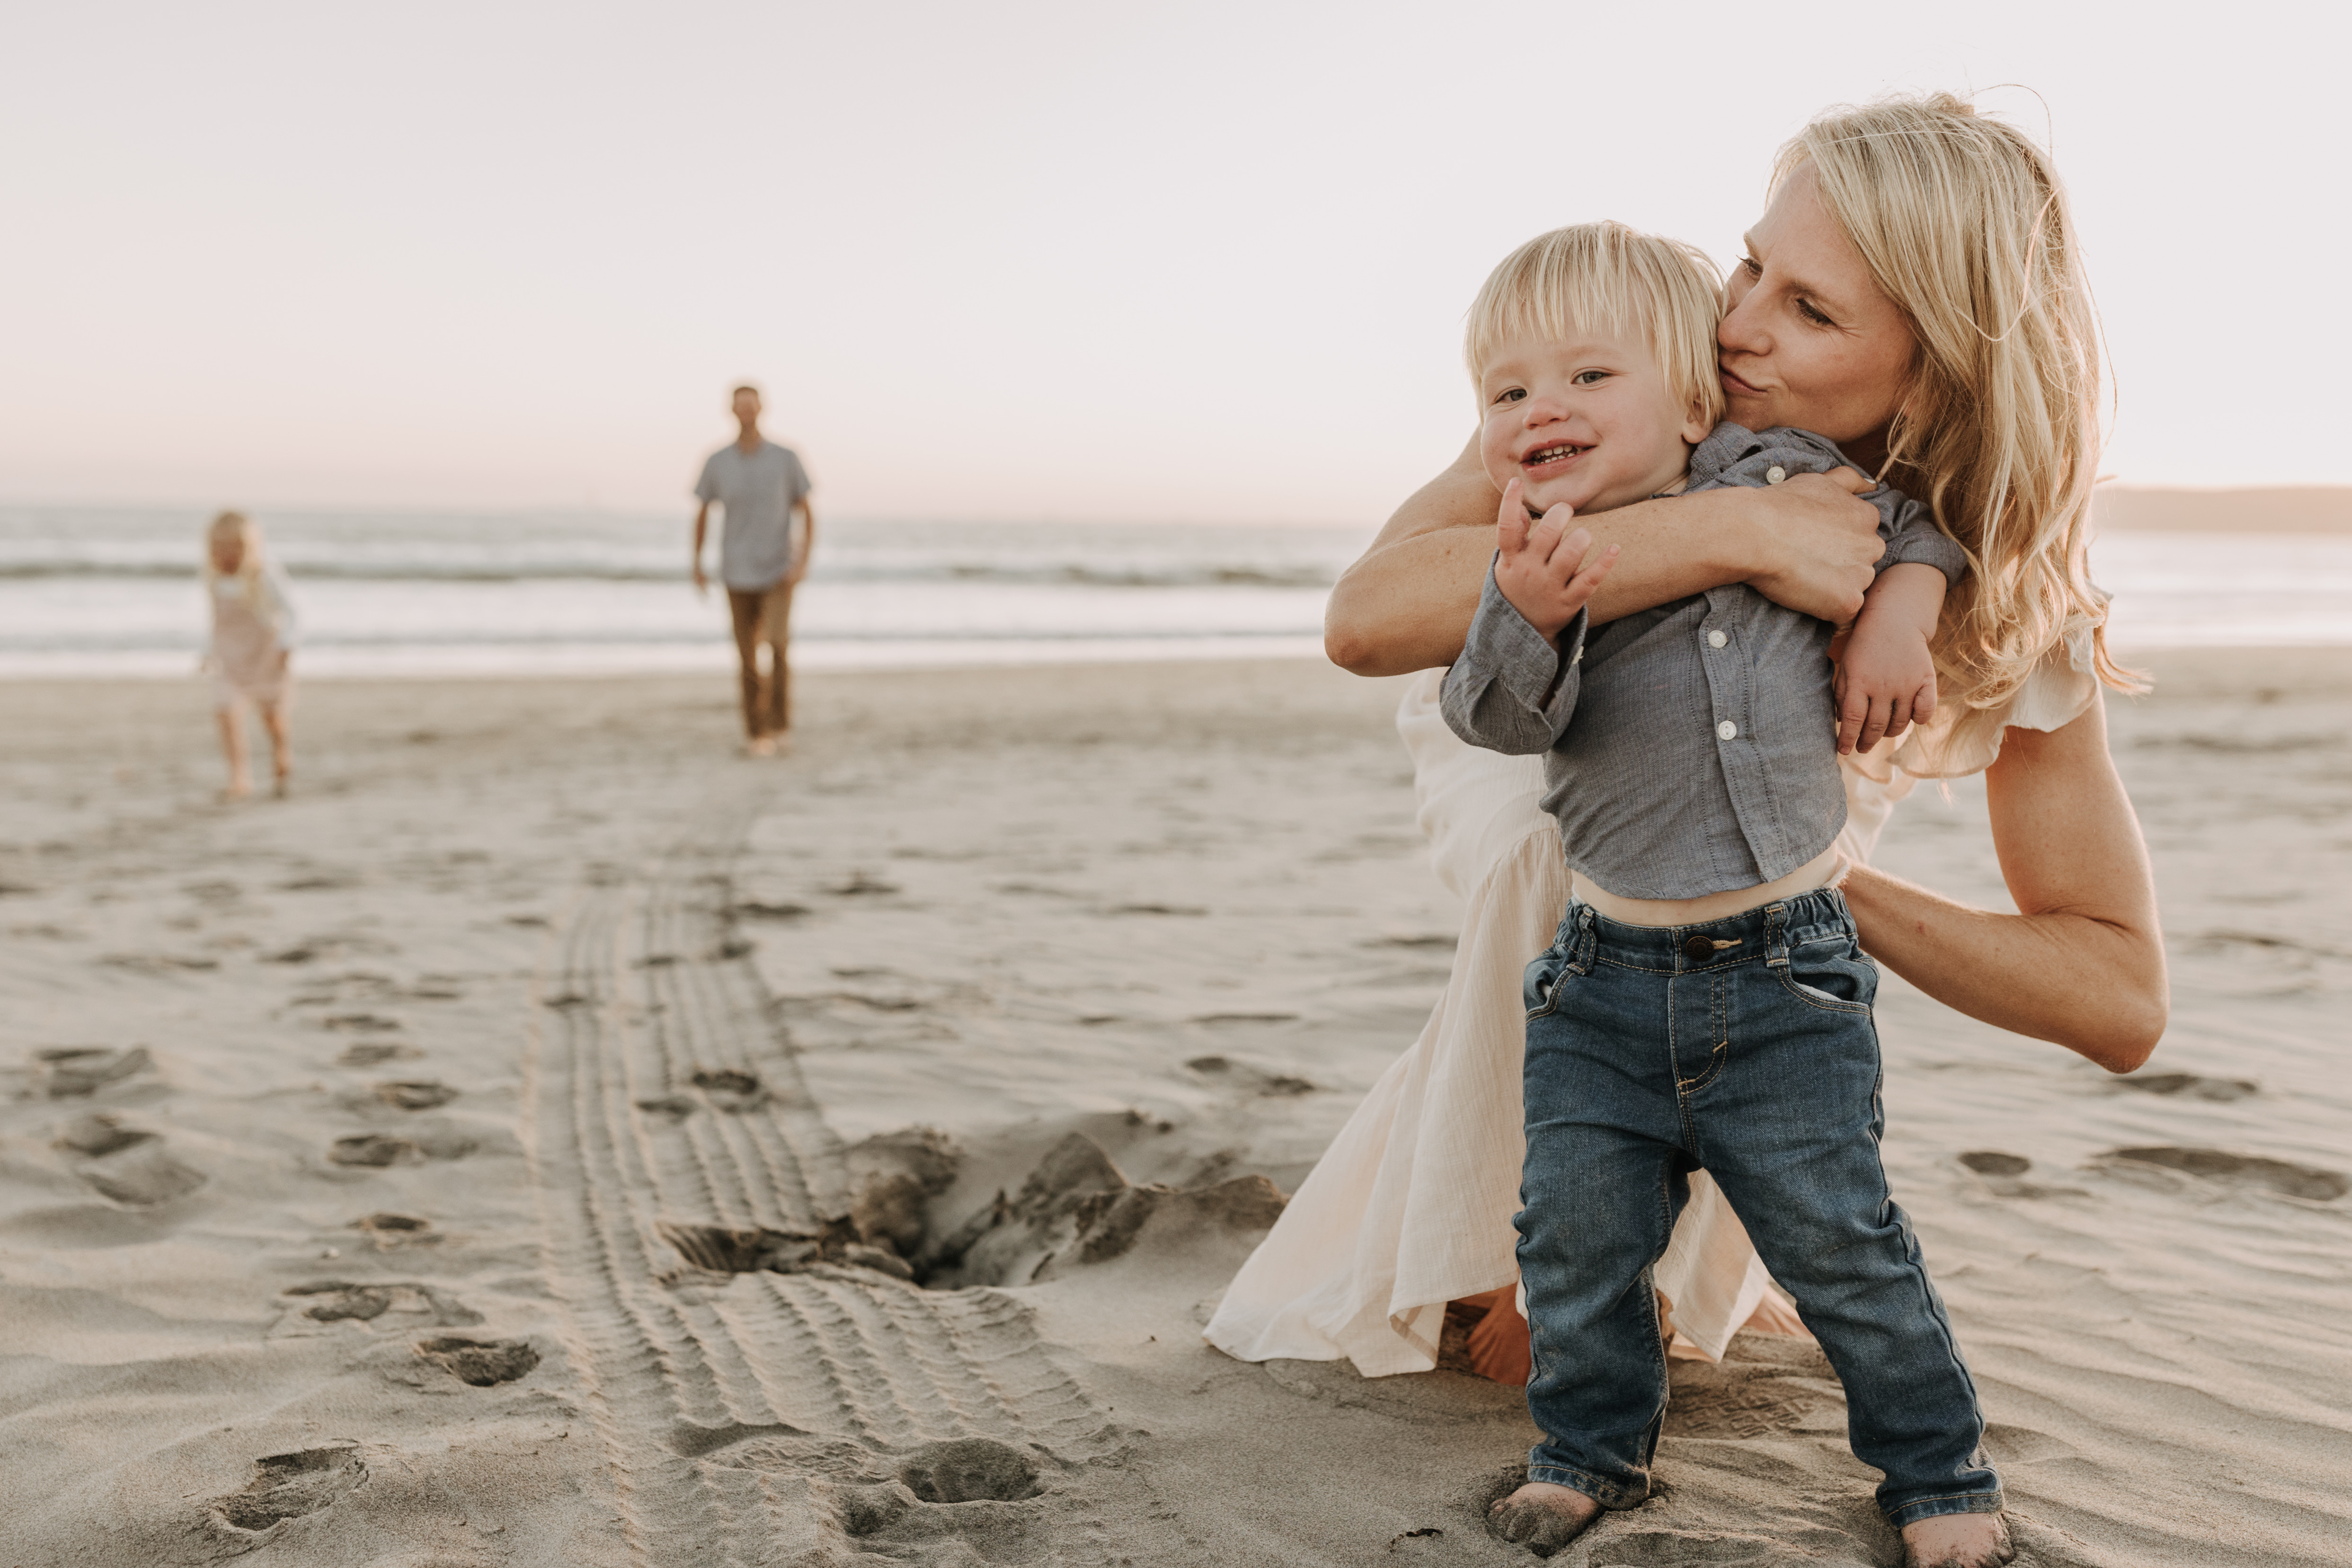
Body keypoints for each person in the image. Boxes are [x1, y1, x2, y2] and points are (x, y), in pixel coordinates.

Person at [1207, 93, 2167, 1568]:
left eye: (1810, 309)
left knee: (1740, 938)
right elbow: (1370, 617)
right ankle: (1527, 1257)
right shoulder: (1632, 379)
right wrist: (1736, 535)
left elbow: (2115, 998)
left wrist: (1820, 888)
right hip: (1531, 718)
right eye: (1749, 268)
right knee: (1560, 859)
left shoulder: (1987, 583)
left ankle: (1708, 1225)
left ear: (1932, 365)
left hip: (1770, 824)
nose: (1738, 326)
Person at [1440, 221, 1986, 1554]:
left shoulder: (1793, 474)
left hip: (1788, 970)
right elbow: (1495, 722)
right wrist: (1523, 609)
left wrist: (1904, 609)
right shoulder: (1543, 549)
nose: (1541, 410)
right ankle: (1589, 1453)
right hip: (1602, 980)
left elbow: (1913, 530)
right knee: (1573, 1243)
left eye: (1584, 377)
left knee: (1844, 1242)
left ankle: (1938, 1477)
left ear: (1691, 394)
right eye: (1507, 392)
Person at [693, 384, 815, 755]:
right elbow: (702, 512)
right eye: (739, 405)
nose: (746, 411)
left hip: (779, 570)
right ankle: (756, 733)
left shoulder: (786, 457)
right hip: (736, 571)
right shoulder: (717, 461)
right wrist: (697, 563)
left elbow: (806, 511)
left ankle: (780, 727)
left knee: (778, 648)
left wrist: (802, 562)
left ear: (762, 408)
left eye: (751, 405)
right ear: (731, 410)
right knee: (746, 657)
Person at [200, 510, 299, 801]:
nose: (227, 555)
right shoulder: (215, 579)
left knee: (271, 716)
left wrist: (286, 643)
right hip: (231, 658)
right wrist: (209, 653)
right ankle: (239, 777)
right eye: (220, 548)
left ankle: (281, 752)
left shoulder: (263, 575)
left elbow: (292, 612)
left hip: (264, 657)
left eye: (235, 548)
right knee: (225, 712)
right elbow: (216, 621)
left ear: (250, 548)